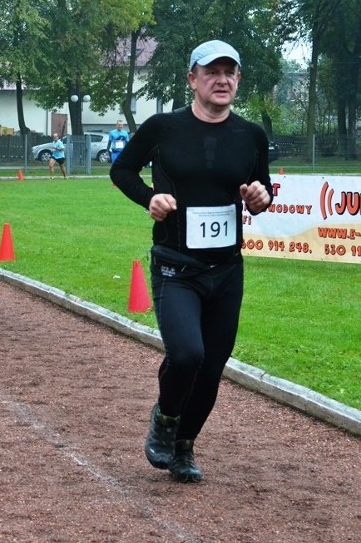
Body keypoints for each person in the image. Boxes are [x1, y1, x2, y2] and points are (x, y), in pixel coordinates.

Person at [109, 39, 273, 483]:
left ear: (238, 79)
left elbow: (261, 191)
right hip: (174, 266)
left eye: (230, 73)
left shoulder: (251, 135)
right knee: (186, 354)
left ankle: (184, 446)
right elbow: (121, 170)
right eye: (212, 72)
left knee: (212, 367)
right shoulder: (162, 127)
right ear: (192, 79)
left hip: (226, 271)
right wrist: (150, 198)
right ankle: (164, 419)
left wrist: (261, 197)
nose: (222, 80)